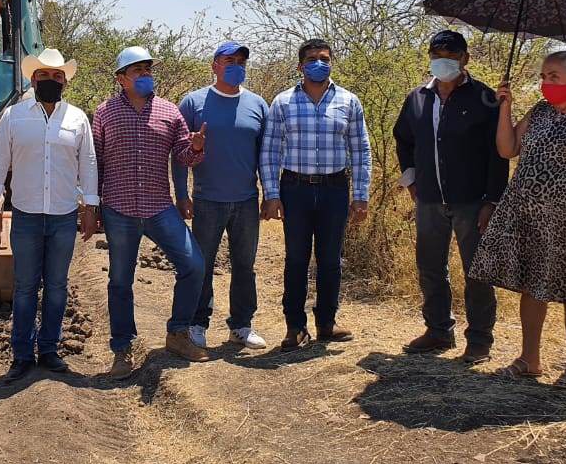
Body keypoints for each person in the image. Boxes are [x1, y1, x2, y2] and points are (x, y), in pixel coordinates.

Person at [470, 51, 566, 391]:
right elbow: (507, 148)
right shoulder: (539, 112)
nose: (547, 83)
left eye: (555, 77)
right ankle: (529, 359)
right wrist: (505, 107)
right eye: (544, 76)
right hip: (528, 217)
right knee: (532, 286)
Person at [93, 46, 209, 378]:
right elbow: (96, 162)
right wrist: (94, 205)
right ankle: (123, 349)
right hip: (119, 208)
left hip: (159, 207)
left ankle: (177, 333)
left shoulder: (169, 112)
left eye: (148, 69)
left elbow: (184, 156)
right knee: (120, 282)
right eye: (137, 70)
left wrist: (197, 148)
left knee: (193, 265)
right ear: (121, 78)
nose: (145, 75)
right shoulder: (105, 113)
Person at [0, 48, 99, 381]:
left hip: (64, 216)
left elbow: (88, 163)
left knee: (57, 286)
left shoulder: (77, 119)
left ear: (65, 81)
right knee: (24, 288)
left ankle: (49, 350)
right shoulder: (14, 116)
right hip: (26, 216)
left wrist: (89, 207)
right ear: (33, 79)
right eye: (44, 75)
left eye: (57, 76)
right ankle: (21, 355)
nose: (51, 80)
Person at [393, 30, 507, 364]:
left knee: (477, 270)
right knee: (430, 266)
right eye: (436, 53)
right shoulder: (417, 98)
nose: (443, 60)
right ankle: (438, 330)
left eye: (451, 54)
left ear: (465, 59)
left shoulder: (486, 99)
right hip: (428, 199)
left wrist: (492, 200)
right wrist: (412, 178)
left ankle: (480, 340)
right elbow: (404, 139)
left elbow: (498, 154)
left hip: (472, 201)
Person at [260, 38, 371, 351]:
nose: (318, 63)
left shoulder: (349, 101)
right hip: (294, 189)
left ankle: (326, 323)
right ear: (300, 65)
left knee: (330, 260)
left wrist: (360, 195)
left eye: (324, 58)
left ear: (332, 62)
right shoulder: (282, 102)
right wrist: (271, 193)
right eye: (311, 58)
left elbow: (360, 149)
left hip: (335, 189)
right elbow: (269, 150)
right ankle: (295, 327)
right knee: (296, 259)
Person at [172, 40, 270, 350]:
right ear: (214, 65)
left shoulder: (258, 105)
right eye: (229, 60)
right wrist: (181, 194)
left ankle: (241, 325)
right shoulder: (193, 103)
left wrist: (270, 193)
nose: (236, 66)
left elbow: (266, 155)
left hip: (246, 200)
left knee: (245, 265)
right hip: (206, 199)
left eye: (241, 61)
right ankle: (198, 323)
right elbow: (178, 153)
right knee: (202, 263)